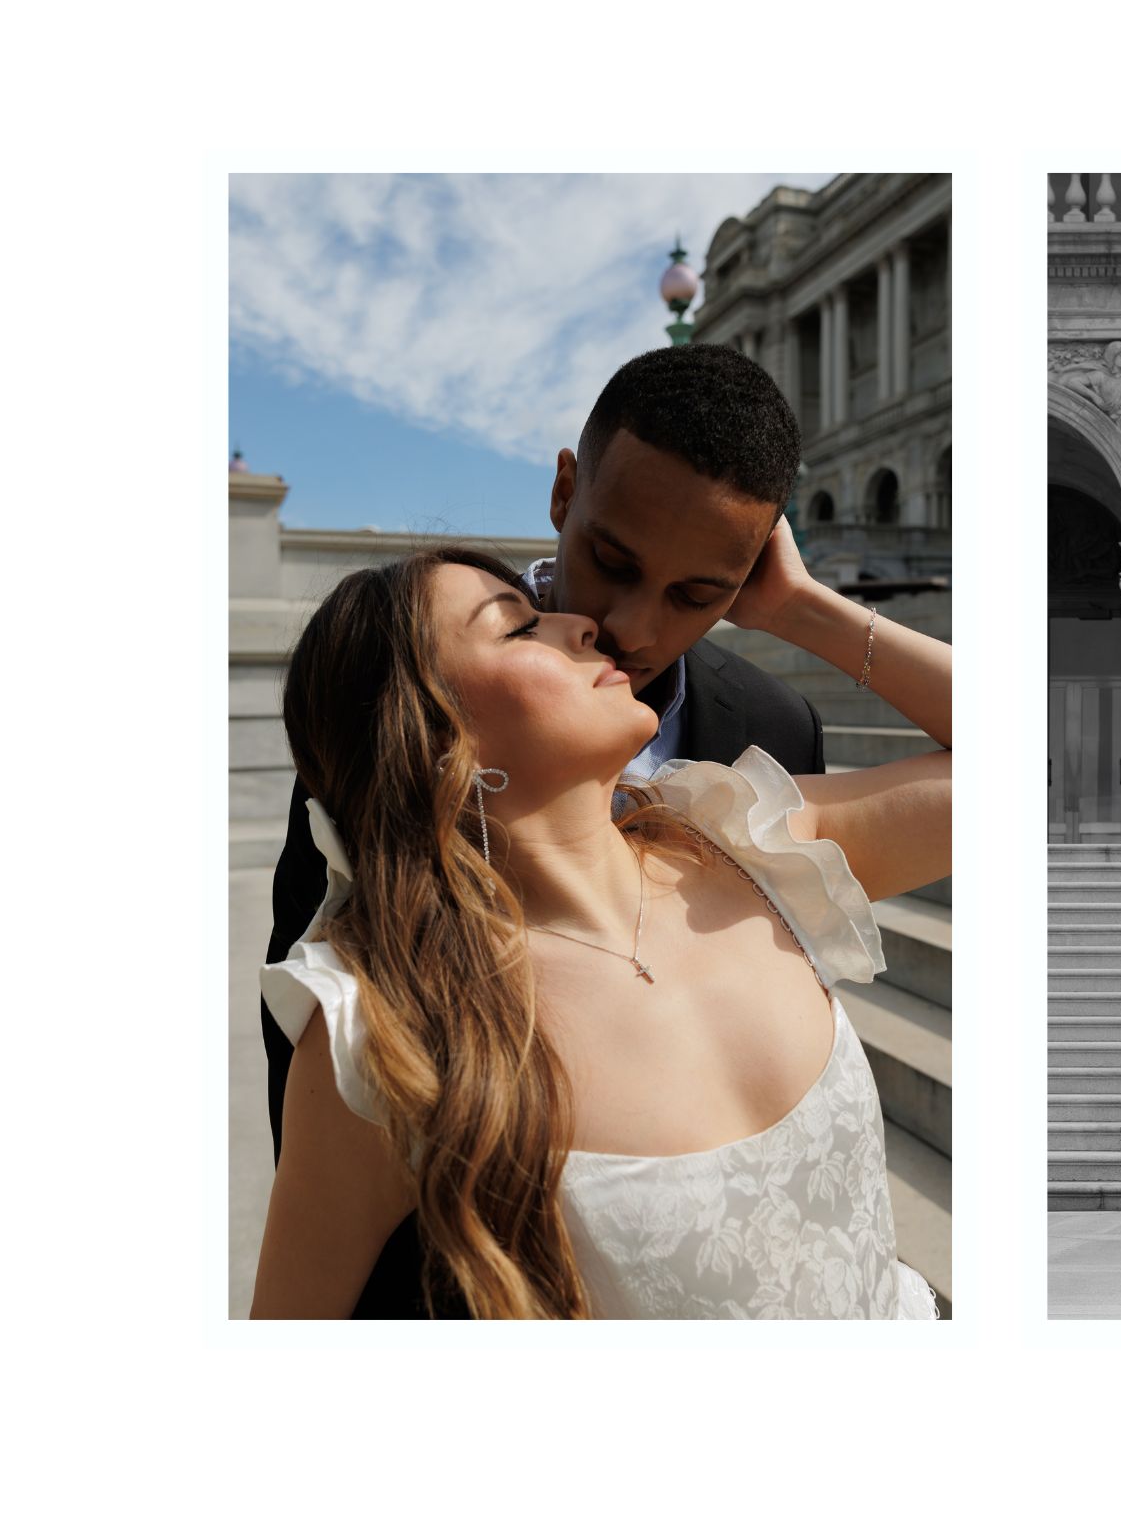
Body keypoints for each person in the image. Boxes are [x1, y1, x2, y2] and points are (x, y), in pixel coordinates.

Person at [251, 537, 950, 1318]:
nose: (580, 624)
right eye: (519, 628)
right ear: (436, 732)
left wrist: (800, 607)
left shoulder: (749, 843)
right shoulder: (384, 1028)